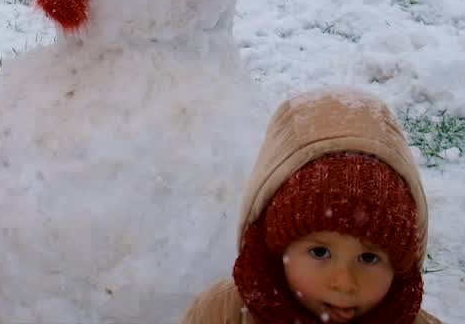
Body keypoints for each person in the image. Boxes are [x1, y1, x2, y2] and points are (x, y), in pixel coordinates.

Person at [181, 90, 443, 324]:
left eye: (369, 258)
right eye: (320, 252)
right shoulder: (222, 313)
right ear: (278, 246)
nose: (344, 283)